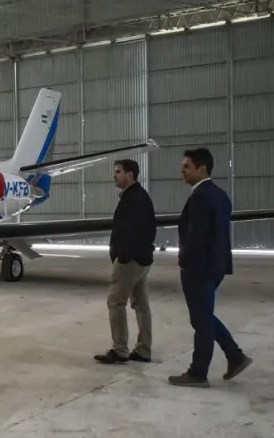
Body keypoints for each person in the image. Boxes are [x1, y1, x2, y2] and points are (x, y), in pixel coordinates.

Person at [169, 147, 253, 388]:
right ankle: (234, 356)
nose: (182, 171)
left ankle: (198, 373)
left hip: (199, 267)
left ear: (202, 168)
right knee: (204, 316)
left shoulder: (201, 197)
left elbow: (196, 236)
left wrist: (185, 261)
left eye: (187, 166)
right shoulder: (220, 195)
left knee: (202, 320)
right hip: (215, 266)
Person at [94, 158, 156, 365]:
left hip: (130, 261)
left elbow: (132, 232)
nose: (115, 175)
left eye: (118, 172)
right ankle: (144, 349)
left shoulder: (133, 199)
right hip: (141, 259)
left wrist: (122, 256)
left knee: (115, 302)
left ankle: (120, 350)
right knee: (141, 304)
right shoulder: (139, 196)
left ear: (130, 174)